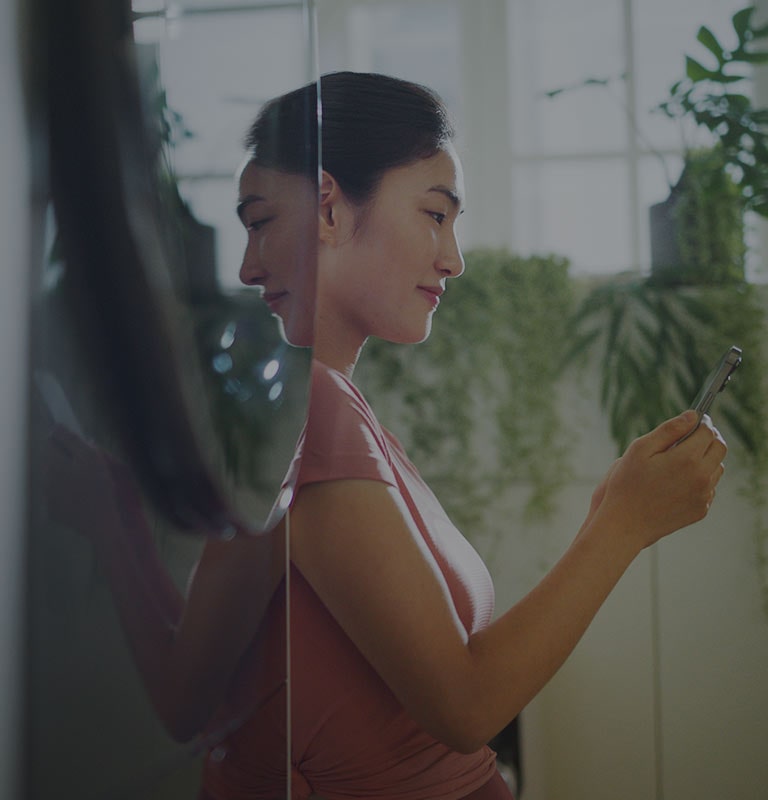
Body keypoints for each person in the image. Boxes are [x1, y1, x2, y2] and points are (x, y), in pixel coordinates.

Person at [46, 71, 727, 800]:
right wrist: (621, 524)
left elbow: (185, 698)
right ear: (333, 210)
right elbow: (465, 707)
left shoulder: (323, 416)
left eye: (260, 223)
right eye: (435, 214)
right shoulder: (314, 420)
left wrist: (113, 518)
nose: (453, 258)